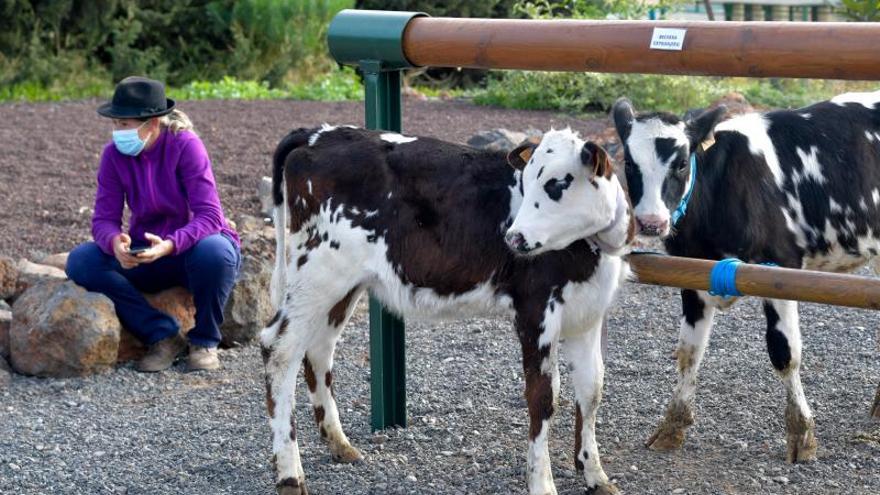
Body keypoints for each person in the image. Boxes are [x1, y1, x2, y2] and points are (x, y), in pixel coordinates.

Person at [66, 76, 241, 373]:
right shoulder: (112, 156)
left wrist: (171, 244)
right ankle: (162, 334)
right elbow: (103, 219)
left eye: (124, 124)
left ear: (153, 123)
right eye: (115, 124)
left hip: (192, 251)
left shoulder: (187, 146)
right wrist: (114, 242)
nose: (117, 132)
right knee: (82, 261)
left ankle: (204, 340)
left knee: (216, 253)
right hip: (147, 252)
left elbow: (210, 216)